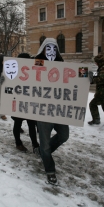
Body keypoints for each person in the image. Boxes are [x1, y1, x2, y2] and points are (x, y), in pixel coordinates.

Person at [34, 38, 69, 185]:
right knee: (45, 144)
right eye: (48, 49)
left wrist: (87, 78)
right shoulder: (36, 64)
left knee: (64, 135)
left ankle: (44, 153)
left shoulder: (63, 66)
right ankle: (50, 170)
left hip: (59, 110)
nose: (51, 52)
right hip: (43, 111)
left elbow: (78, 78)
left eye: (54, 49)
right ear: (42, 49)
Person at [11, 53, 39, 152]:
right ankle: (18, 143)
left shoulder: (32, 70)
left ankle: (35, 144)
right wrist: (2, 81)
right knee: (18, 124)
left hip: (29, 103)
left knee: (31, 125)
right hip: (18, 103)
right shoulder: (13, 71)